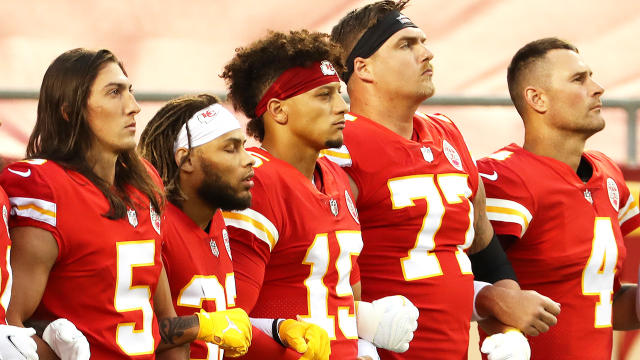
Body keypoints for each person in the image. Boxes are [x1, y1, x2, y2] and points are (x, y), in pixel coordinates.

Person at [327, 1, 562, 359]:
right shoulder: (340, 145)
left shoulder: (447, 133)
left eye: (423, 41)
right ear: (364, 67)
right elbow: (321, 274)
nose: (427, 53)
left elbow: (483, 244)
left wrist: (507, 311)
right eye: (406, 44)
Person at [0, 48, 252, 360]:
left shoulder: (144, 183)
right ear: (69, 109)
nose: (133, 107)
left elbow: (163, 322)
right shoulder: (44, 188)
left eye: (130, 91)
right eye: (114, 92)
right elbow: (9, 333)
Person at [220, 30, 419, 360]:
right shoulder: (257, 181)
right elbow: (229, 326)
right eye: (324, 95)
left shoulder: (336, 176)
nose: (342, 107)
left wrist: (365, 330)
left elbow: (337, 292)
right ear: (278, 110)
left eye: (339, 94)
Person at [477, 37, 640, 359]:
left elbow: (602, 304)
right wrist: (504, 329)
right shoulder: (507, 178)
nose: (597, 88)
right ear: (537, 98)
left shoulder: (608, 174)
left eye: (590, 76)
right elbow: (468, 287)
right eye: (579, 79)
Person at [138, 93, 333, 360]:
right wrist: (200, 327)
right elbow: (121, 334)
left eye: (243, 145)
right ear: (185, 160)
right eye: (230, 149)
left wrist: (278, 329)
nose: (248, 159)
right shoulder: (153, 228)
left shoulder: (215, 220)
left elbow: (223, 326)